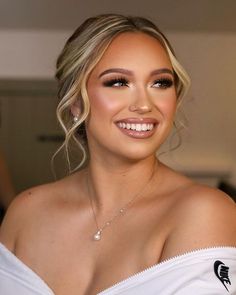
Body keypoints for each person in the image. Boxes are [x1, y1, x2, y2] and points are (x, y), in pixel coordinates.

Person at [0, 14, 235, 295]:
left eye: (160, 83)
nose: (144, 105)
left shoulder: (204, 213)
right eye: (118, 82)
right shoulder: (26, 212)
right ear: (75, 102)